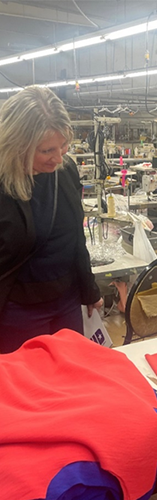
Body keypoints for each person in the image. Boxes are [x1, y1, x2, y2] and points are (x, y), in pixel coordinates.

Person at [0, 86, 102, 353]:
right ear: (17, 144)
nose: (59, 158)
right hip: (16, 311)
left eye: (63, 146)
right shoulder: (3, 185)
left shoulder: (64, 171)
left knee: (71, 380)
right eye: (47, 150)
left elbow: (75, 238)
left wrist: (89, 290)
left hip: (66, 303)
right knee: (26, 387)